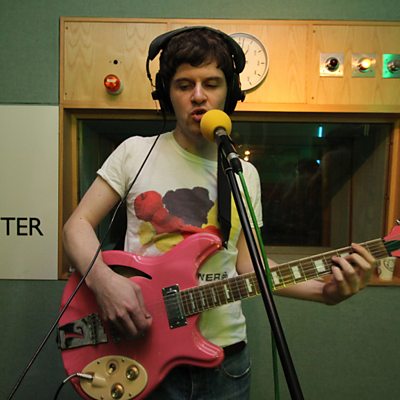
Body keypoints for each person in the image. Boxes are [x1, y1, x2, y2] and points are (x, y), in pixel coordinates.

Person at [63, 26, 375, 399]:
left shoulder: (245, 174)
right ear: (166, 94)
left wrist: (325, 292)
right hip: (141, 345)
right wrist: (104, 283)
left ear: (230, 93)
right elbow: (76, 226)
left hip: (225, 360)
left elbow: (248, 265)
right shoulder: (135, 152)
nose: (199, 96)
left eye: (211, 84)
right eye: (184, 85)